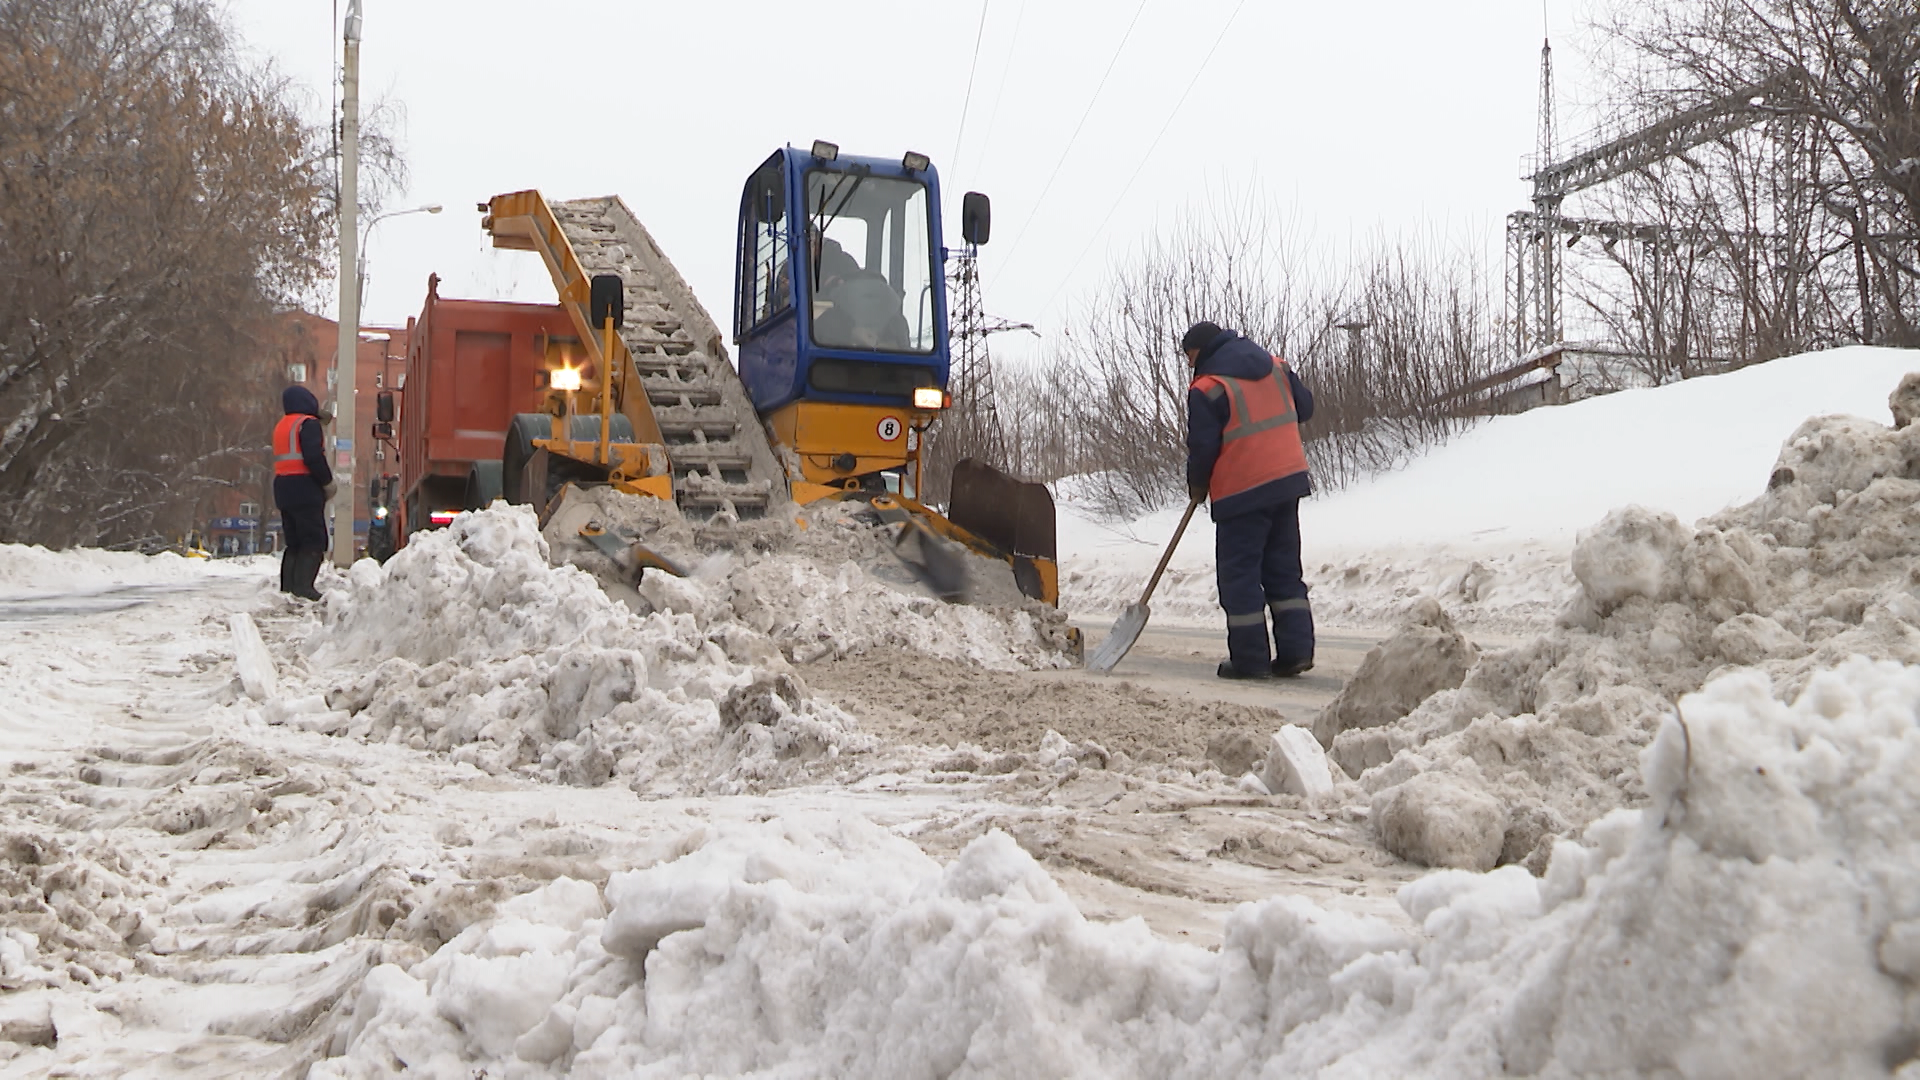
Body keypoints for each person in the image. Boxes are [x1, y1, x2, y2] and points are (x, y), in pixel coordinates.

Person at [1182, 321, 1317, 680]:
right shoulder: (1277, 367)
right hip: (1287, 482)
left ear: (1200, 351)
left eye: (1189, 357)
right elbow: (1305, 408)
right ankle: (1295, 653)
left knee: (1239, 576)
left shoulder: (1208, 388)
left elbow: (1203, 447)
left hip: (1241, 491)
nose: (1190, 365)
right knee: (1284, 571)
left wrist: (1197, 485)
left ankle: (1250, 660)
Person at [272, 385, 335, 600]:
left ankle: (288, 588)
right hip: (305, 487)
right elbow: (313, 457)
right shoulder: (307, 424)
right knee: (314, 540)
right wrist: (327, 482)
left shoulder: (283, 425)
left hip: (283, 488)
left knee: (295, 542)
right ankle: (304, 588)